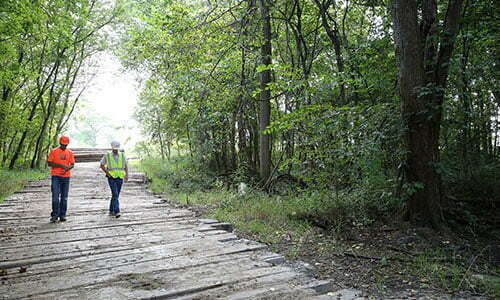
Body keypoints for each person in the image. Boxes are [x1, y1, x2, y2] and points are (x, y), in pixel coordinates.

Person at [47, 136, 75, 223]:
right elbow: (49, 163)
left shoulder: (69, 152)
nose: (64, 146)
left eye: (66, 145)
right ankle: (55, 215)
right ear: (60, 143)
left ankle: (62, 215)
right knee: (55, 196)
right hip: (56, 176)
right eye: (63, 145)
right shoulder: (54, 151)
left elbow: (72, 164)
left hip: (66, 177)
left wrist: (67, 168)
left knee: (64, 197)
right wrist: (61, 166)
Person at [100, 141, 128, 218]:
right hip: (111, 178)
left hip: (120, 177)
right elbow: (102, 165)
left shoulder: (122, 155)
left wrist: (126, 175)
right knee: (115, 194)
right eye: (114, 149)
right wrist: (108, 173)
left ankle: (111, 209)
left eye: (117, 149)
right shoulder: (107, 155)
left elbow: (125, 166)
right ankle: (117, 211)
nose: (116, 150)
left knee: (116, 195)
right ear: (112, 148)